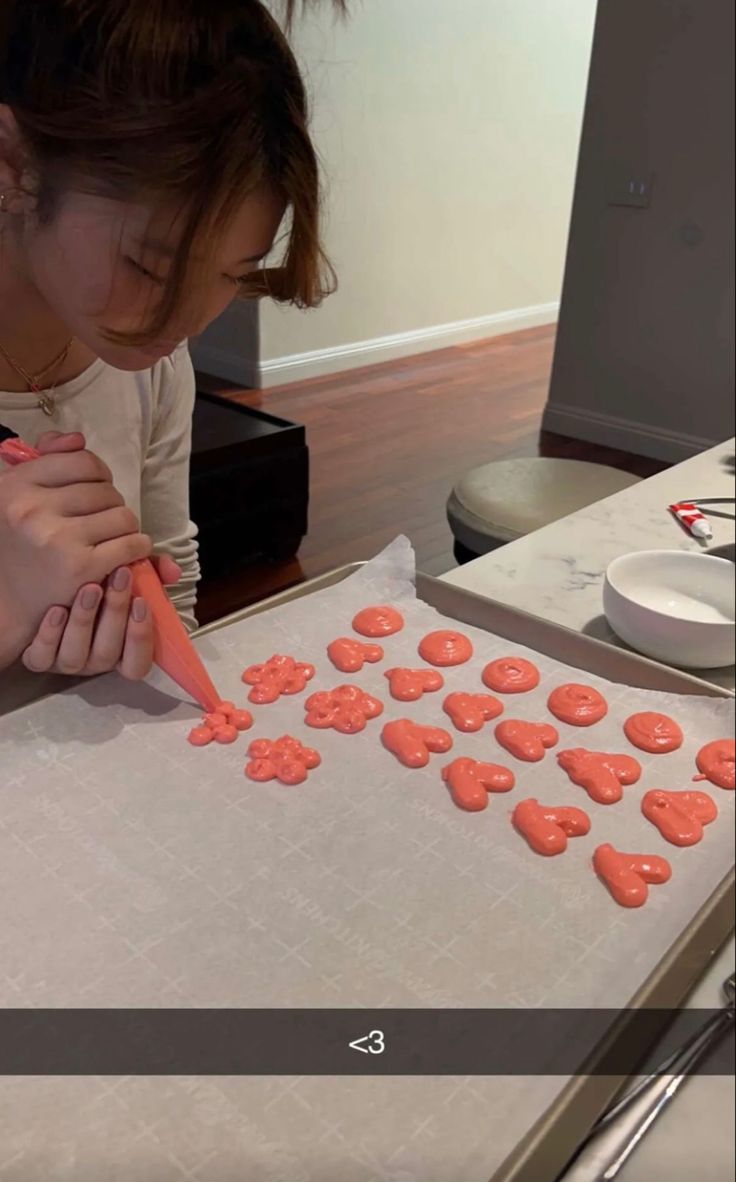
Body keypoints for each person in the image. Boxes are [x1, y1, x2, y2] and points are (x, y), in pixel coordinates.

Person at [0, 0, 344, 703]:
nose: (185, 323)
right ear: (12, 164)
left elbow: (173, 569)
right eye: (151, 268)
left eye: (234, 273)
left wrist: (147, 639)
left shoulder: (152, 368)